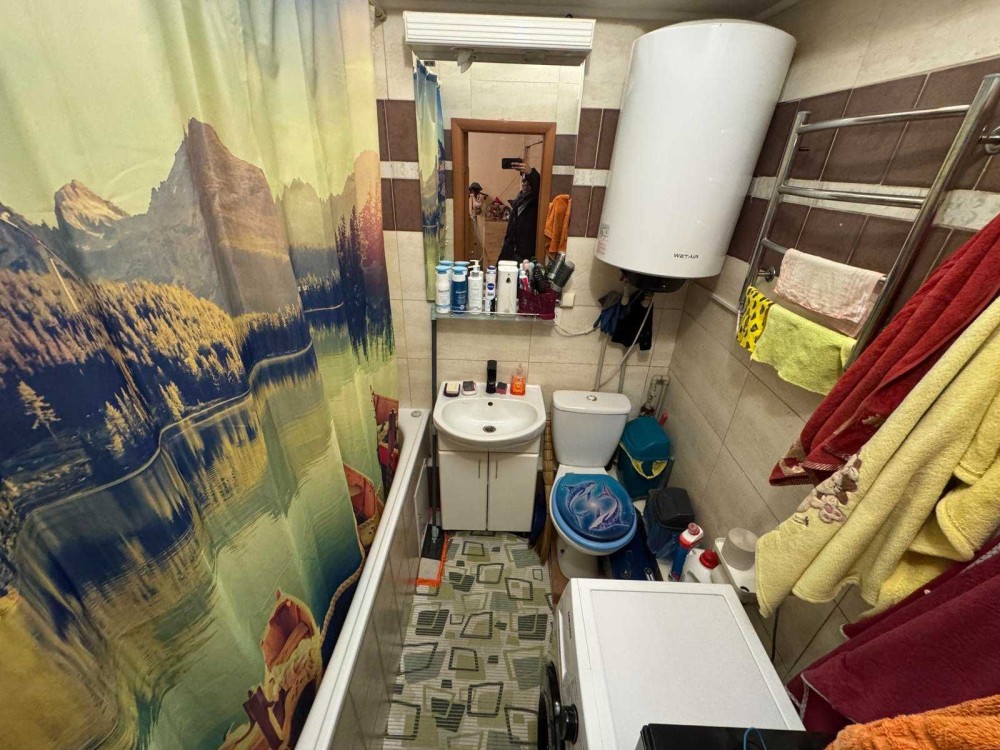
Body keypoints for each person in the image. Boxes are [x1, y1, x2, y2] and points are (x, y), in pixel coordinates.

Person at [499, 161, 540, 262]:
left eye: (528, 181)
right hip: (512, 249)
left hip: (526, 252)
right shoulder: (520, 199)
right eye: (523, 181)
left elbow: (539, 186)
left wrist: (530, 172)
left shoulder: (536, 200)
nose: (525, 184)